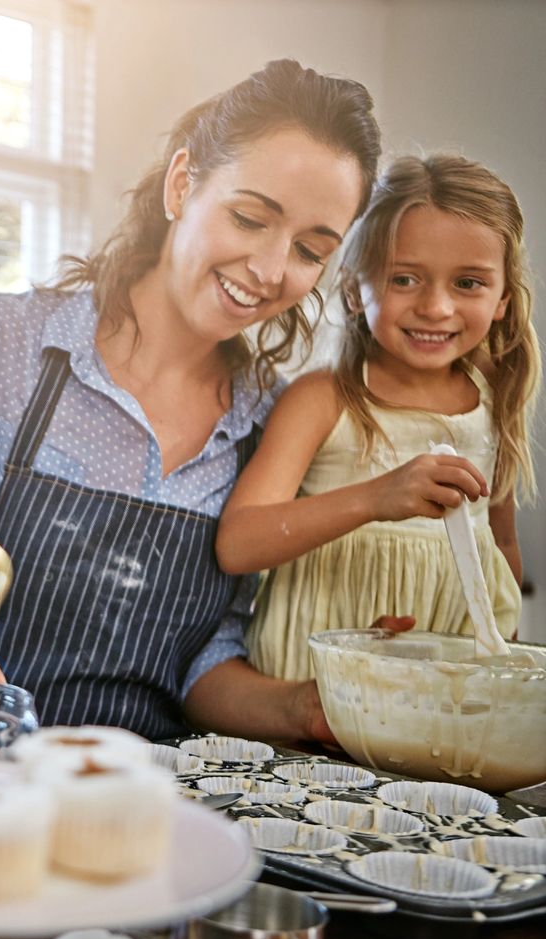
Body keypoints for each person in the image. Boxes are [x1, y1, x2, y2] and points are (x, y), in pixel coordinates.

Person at [0, 59, 383, 744]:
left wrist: (309, 707)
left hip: (149, 795)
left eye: (309, 249)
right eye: (249, 218)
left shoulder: (270, 424)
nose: (272, 271)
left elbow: (203, 669)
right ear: (182, 185)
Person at [216, 154, 541, 681]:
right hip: (315, 682)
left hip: (448, 687)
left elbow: (500, 546)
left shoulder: (494, 395)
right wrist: (376, 497)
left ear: (503, 297)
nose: (436, 307)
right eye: (405, 278)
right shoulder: (324, 400)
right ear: (353, 287)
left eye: (468, 284)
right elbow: (238, 543)